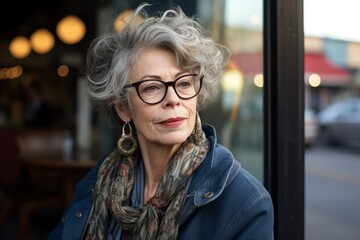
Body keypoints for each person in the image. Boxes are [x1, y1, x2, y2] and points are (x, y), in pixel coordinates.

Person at [48, 3, 274, 240]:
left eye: (184, 83)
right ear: (123, 108)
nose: (173, 99)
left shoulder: (245, 202)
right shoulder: (100, 177)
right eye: (152, 87)